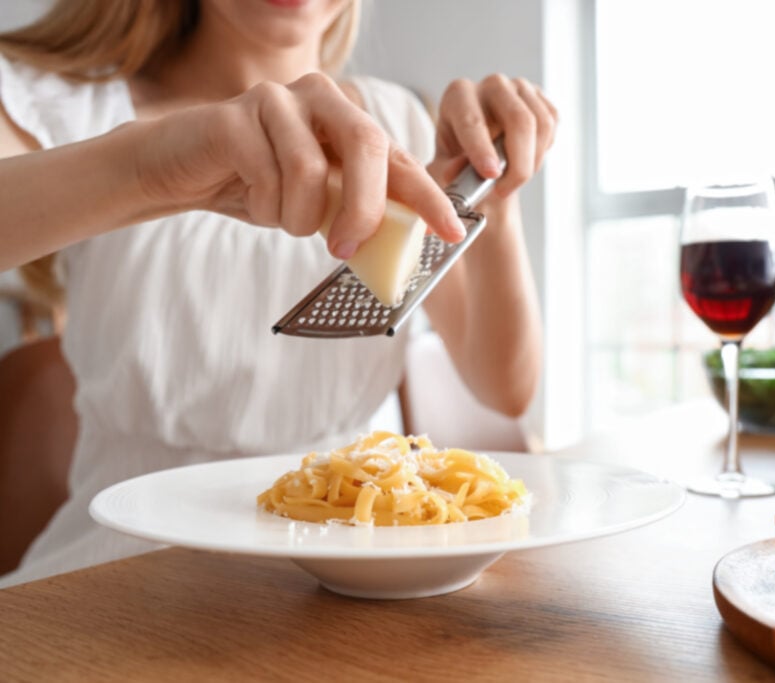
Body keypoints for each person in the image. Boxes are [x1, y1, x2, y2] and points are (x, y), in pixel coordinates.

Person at [0, 0, 554, 586]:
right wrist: (145, 168)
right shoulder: (57, 101)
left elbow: (505, 389)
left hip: (346, 563)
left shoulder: (403, 124)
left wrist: (494, 192)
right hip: (120, 568)